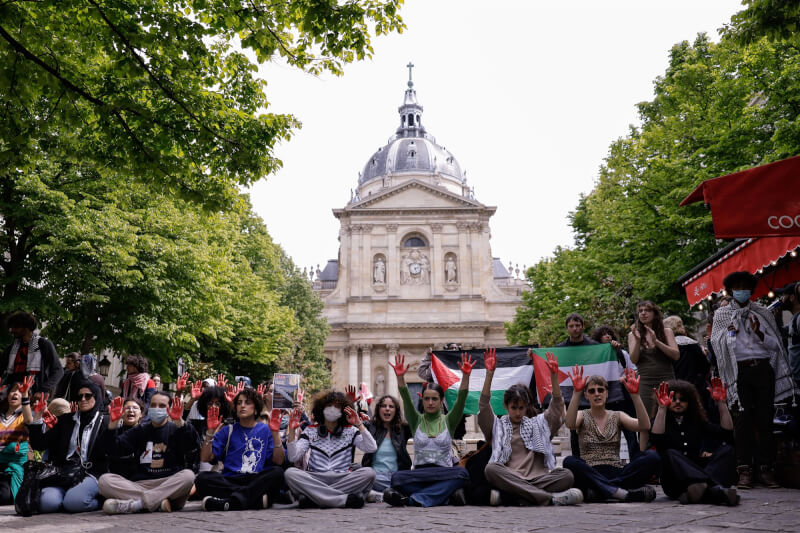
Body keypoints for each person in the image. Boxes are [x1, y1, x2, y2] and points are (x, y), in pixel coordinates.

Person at [710, 271, 797, 488]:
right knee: (742, 420)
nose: (742, 290)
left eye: (745, 286)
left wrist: (759, 334)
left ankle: (766, 469)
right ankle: (744, 470)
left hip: (762, 368)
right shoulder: (721, 314)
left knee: (766, 420)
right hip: (739, 371)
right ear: (730, 291)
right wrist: (730, 334)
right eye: (737, 287)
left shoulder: (762, 312)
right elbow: (717, 345)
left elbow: (775, 345)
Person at [479, 348, 582, 506]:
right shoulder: (497, 426)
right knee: (491, 469)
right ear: (506, 406)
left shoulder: (539, 424)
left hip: (538, 478)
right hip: (510, 477)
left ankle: (520, 496)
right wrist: (489, 374)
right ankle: (549, 498)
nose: (518, 412)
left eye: (521, 408)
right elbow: (484, 405)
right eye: (514, 408)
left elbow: (556, 407)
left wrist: (554, 377)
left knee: (566, 475)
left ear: (527, 406)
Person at [382, 353, 471, 507]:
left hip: (443, 473)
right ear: (421, 399)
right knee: (396, 478)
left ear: (441, 400)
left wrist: (466, 376)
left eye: (434, 399)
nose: (430, 402)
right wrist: (400, 378)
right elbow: (406, 397)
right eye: (427, 399)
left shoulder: (449, 420)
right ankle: (444, 495)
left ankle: (413, 499)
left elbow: (461, 399)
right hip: (420, 474)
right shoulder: (416, 420)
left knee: (462, 474)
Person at [563, 368, 661, 502]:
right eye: (592, 391)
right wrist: (576, 392)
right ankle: (621, 493)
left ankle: (604, 491)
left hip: (617, 471)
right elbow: (570, 423)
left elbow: (644, 426)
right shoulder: (582, 415)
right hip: (591, 471)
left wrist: (635, 395)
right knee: (569, 462)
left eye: (601, 390)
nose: (597, 394)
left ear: (607, 393)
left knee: (652, 457)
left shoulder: (617, 415)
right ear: (586, 395)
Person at [98, 391, 200, 514]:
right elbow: (113, 449)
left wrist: (179, 421)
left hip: (170, 485)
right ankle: (157, 503)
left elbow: (192, 446)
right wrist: (113, 423)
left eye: (162, 406)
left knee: (188, 476)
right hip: (141, 485)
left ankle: (138, 504)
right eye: (153, 405)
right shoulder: (139, 431)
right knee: (104, 481)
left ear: (169, 409)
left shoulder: (176, 429)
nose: (157, 408)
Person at [24, 378, 108, 513]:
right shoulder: (67, 420)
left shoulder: (104, 421)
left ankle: (98, 502)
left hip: (90, 474)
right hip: (63, 472)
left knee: (74, 503)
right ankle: (67, 497)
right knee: (47, 503)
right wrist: (38, 416)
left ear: (97, 397)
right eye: (79, 396)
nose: (83, 399)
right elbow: (39, 444)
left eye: (88, 395)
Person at [651, 378, 739, 506]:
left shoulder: (695, 421)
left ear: (690, 402)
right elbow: (656, 440)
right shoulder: (660, 421)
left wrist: (721, 404)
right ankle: (715, 490)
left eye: (683, 399)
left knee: (728, 450)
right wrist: (662, 408)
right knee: (670, 453)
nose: (677, 402)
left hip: (697, 476)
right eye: (673, 398)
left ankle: (701, 493)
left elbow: (726, 434)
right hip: (675, 481)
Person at [195, 387, 285, 511]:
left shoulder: (265, 430)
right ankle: (252, 500)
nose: (242, 406)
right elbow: (205, 458)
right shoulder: (228, 430)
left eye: (247, 403)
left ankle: (231, 502)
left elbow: (279, 461)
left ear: (256, 409)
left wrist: (275, 434)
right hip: (230, 479)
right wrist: (210, 431)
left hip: (255, 479)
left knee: (277, 473)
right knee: (202, 479)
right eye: (239, 403)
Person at [285, 391, 377, 508]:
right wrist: (292, 431)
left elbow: (371, 447)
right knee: (290, 473)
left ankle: (315, 499)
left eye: (337, 406)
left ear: (343, 410)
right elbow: (293, 456)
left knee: (369, 473)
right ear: (321, 408)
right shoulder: (310, 430)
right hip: (316, 478)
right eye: (329, 405)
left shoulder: (351, 431)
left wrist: (359, 424)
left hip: (342, 478)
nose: (332, 409)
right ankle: (343, 500)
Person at [627, 301, 679, 415]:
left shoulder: (666, 331)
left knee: (670, 415)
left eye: (647, 310)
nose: (643, 313)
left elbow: (676, 355)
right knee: (647, 418)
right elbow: (634, 360)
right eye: (640, 311)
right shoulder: (633, 335)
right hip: (645, 382)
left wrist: (657, 342)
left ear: (655, 313)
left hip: (666, 380)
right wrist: (637, 340)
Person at [2, 311, 63, 400]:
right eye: (12, 327)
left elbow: (58, 371)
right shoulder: (11, 348)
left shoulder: (43, 345)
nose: (12, 330)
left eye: (16, 327)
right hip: (11, 394)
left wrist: (42, 390)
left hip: (33, 395)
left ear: (26, 328)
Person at [361, 394, 412, 497]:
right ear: (378, 409)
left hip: (397, 477)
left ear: (396, 411)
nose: (387, 409)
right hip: (376, 478)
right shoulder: (370, 426)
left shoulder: (404, 428)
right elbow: (350, 424)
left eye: (391, 406)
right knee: (360, 474)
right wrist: (350, 401)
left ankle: (378, 495)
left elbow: (420, 423)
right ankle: (387, 495)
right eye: (384, 406)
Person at [663, 315, 711, 408]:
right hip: (695, 387)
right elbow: (705, 368)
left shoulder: (667, 347)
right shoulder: (693, 343)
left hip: (674, 388)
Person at [0, 379, 28, 505]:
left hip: (12, 468)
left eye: (19, 391)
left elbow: (30, 419)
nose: (15, 393)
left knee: (4, 496)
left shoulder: (25, 416)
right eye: (12, 390)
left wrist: (26, 394)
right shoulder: (1, 415)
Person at [777, 281, 800, 386]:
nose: (781, 299)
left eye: (784, 295)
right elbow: (782, 333)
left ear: (792, 298)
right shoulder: (794, 319)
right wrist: (777, 318)